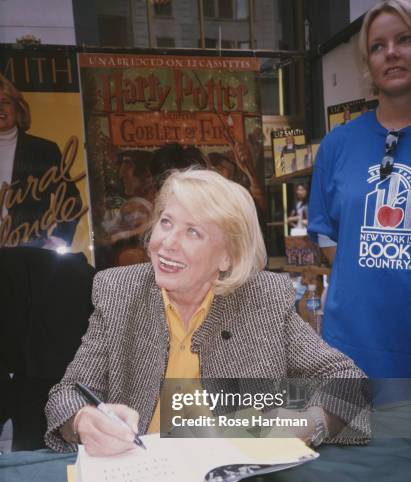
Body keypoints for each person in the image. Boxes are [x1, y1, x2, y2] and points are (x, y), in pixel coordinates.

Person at [45, 168, 370, 456]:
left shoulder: (263, 300)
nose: (167, 243)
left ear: (227, 258)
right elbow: (66, 395)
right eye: (166, 222)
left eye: (193, 232)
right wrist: (83, 420)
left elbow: (348, 381)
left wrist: (308, 423)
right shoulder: (119, 293)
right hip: (144, 480)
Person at [308, 0, 411, 379]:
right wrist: (368, 276)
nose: (392, 53)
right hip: (352, 348)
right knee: (350, 437)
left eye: (405, 39)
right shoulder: (338, 145)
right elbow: (324, 232)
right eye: (378, 46)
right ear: (368, 63)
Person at [0, 74, 83, 248]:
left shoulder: (44, 150)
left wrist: (60, 239)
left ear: (18, 107)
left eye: (5, 102)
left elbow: (71, 199)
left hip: (30, 253)